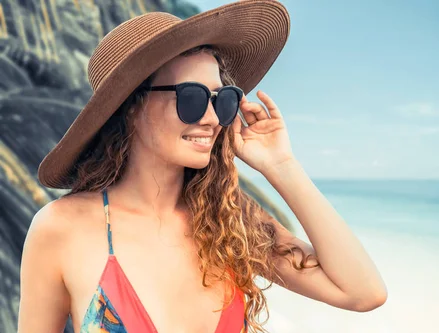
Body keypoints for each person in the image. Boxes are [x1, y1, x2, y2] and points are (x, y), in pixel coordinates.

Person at [17, 1, 387, 332]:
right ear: (130, 107)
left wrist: (282, 165)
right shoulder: (61, 229)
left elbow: (362, 292)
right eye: (192, 98)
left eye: (222, 99)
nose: (213, 118)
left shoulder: (228, 220)